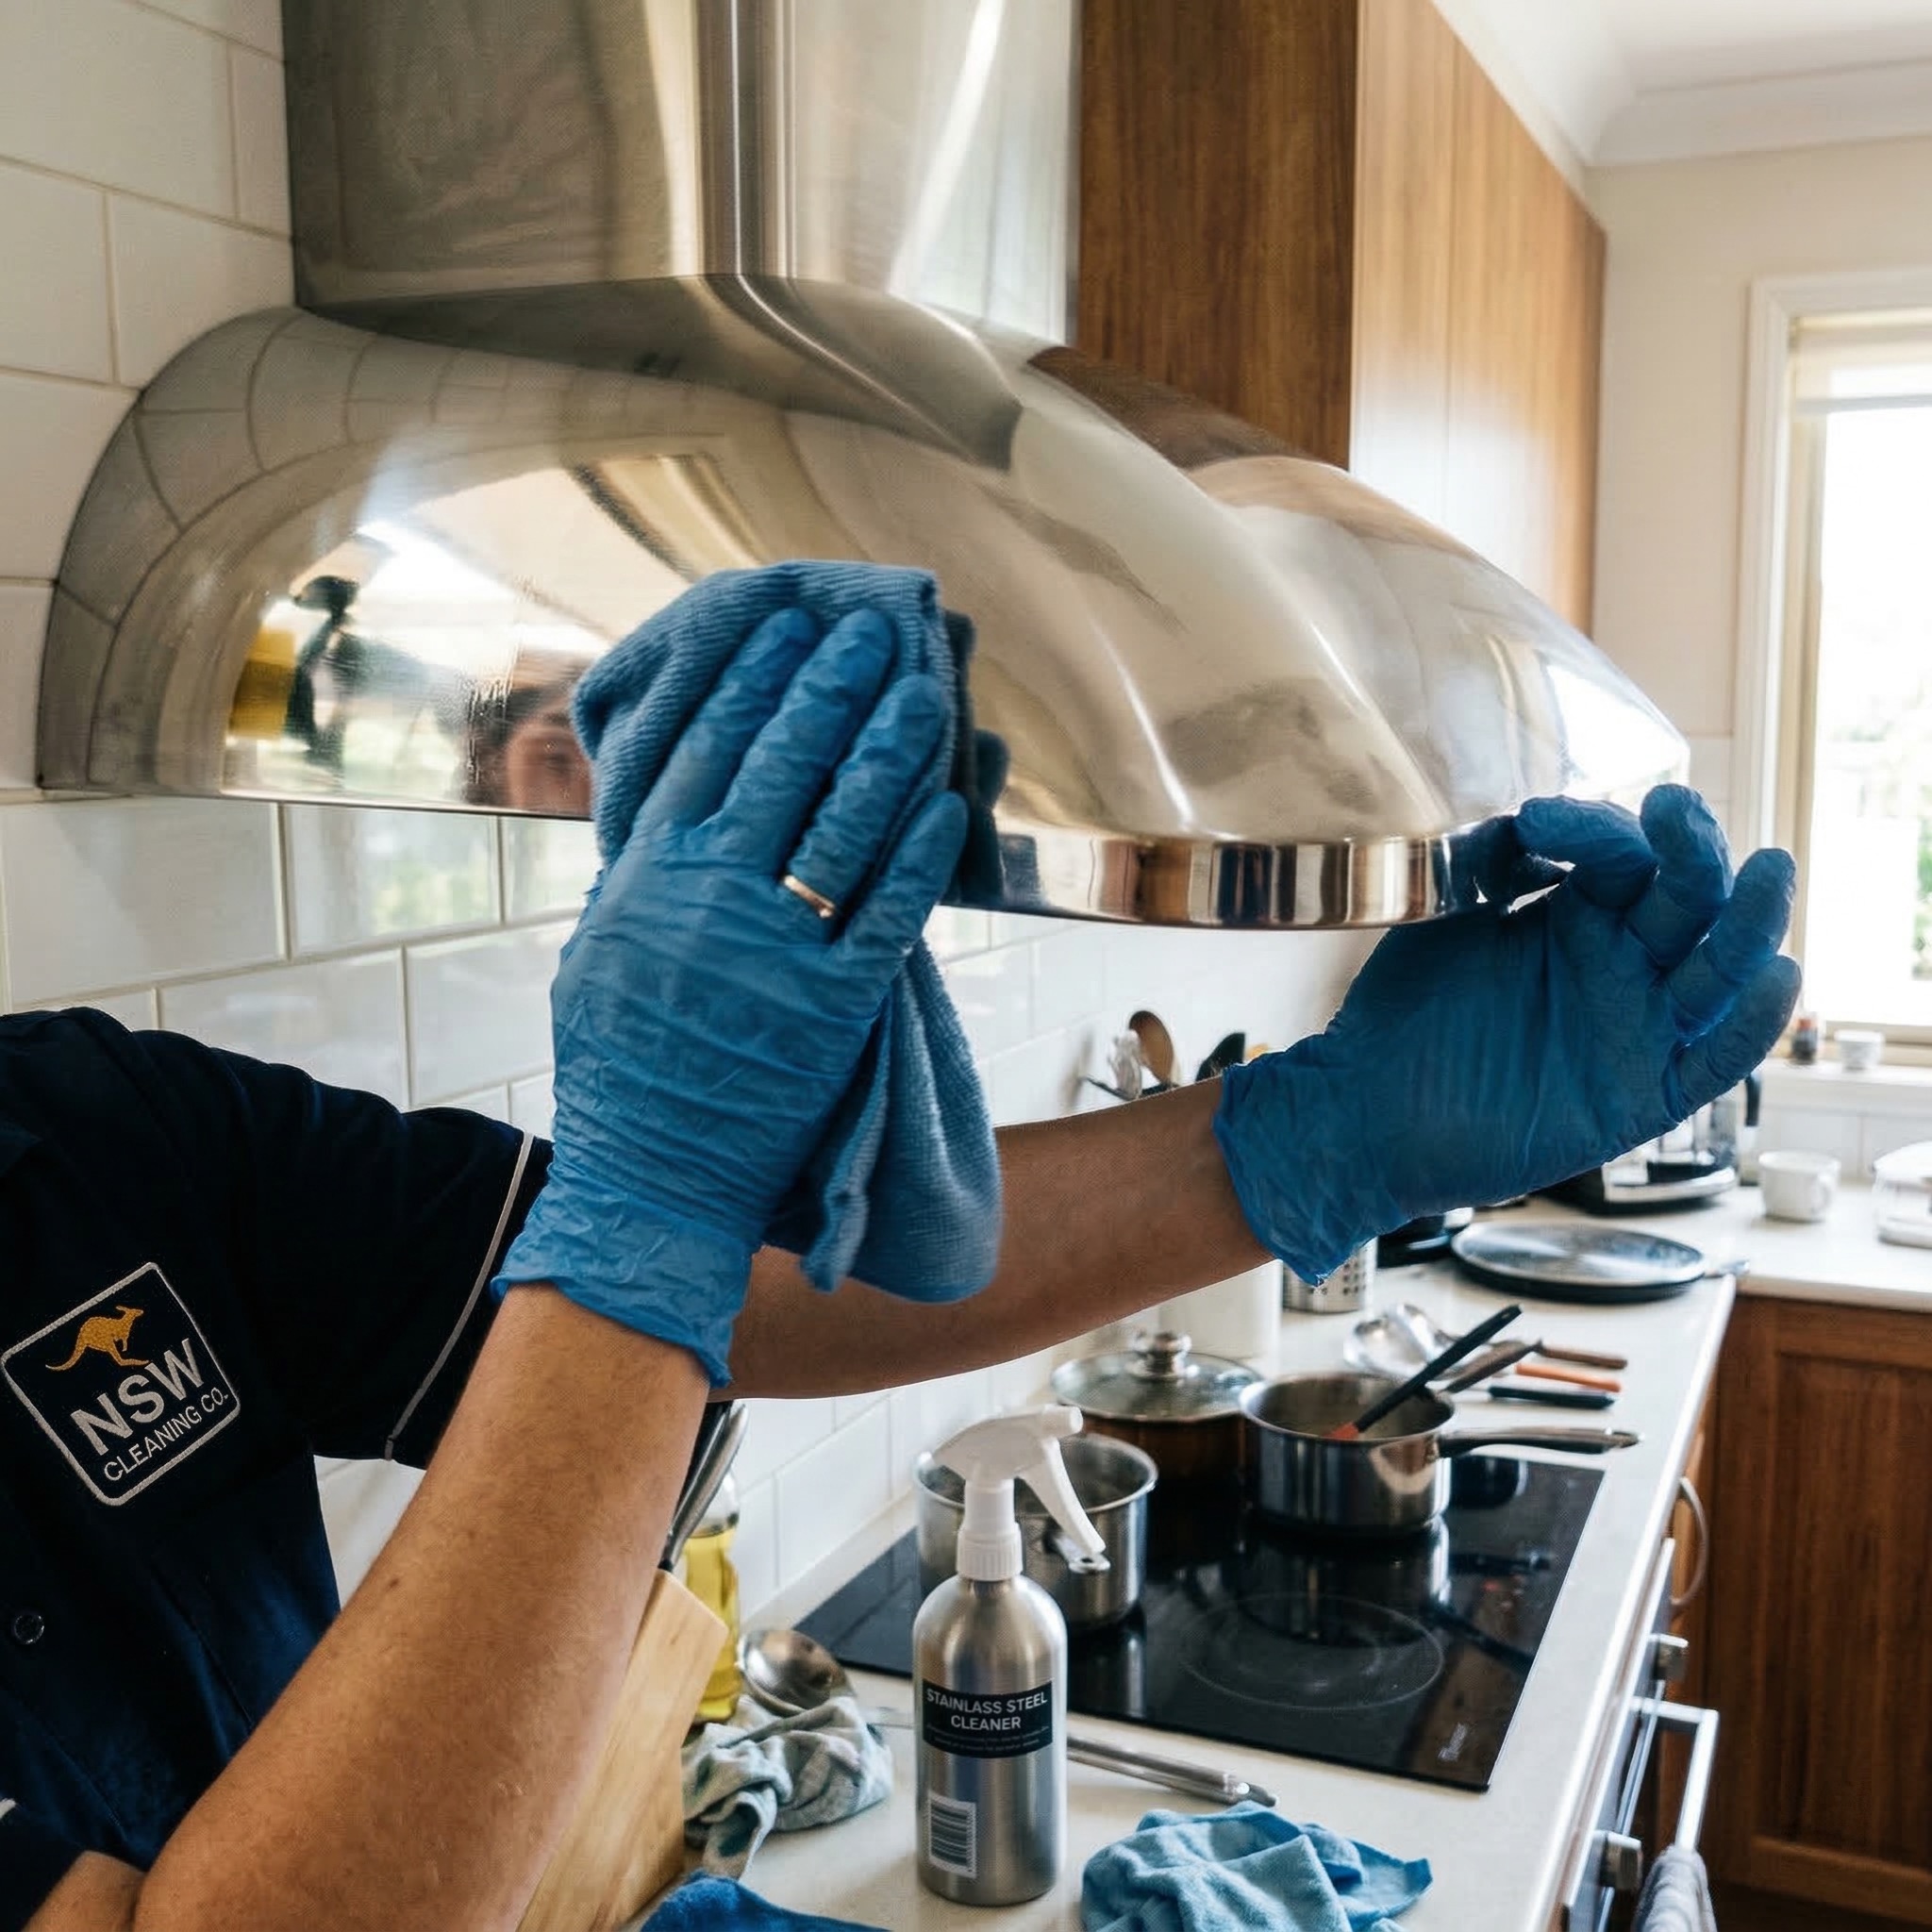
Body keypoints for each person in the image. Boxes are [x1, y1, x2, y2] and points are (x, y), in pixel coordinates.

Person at [3, 603, 1795, 1932]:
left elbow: (712, 1300)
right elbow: (639, 1267)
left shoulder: (79, 1124)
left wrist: (1300, 1145)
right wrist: (658, 1203)